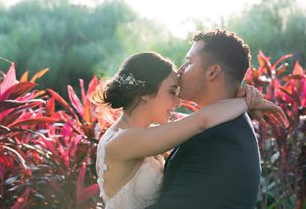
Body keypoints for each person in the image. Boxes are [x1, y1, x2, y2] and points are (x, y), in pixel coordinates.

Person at [93, 51, 286, 209]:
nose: (177, 102)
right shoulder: (124, 142)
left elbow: (200, 122)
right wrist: (248, 102)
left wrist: (241, 94)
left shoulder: (142, 133)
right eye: (171, 91)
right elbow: (201, 121)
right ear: (145, 95)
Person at [146, 29, 288, 209]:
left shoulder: (221, 139)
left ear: (212, 72)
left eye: (189, 62)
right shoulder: (220, 126)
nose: (179, 71)